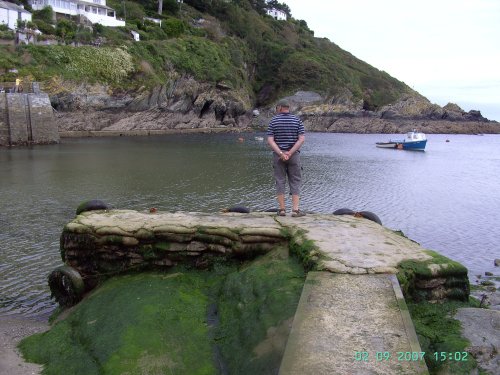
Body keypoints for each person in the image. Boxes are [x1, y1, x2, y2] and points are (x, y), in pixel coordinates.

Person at [267, 99, 306, 217]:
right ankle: (295, 210)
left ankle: (282, 210)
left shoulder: (273, 121)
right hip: (294, 155)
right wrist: (290, 153)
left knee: (280, 181)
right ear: (289, 108)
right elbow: (301, 139)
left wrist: (281, 153)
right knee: (295, 181)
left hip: (278, 156)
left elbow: (270, 140)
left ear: (279, 108)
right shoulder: (297, 120)